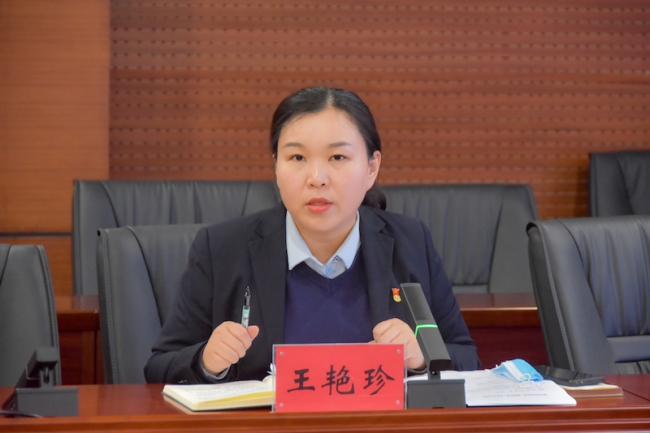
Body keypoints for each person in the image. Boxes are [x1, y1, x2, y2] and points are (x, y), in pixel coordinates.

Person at [144, 86, 480, 384]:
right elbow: (158, 368)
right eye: (297, 157)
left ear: (371, 168)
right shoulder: (222, 249)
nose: (317, 177)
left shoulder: (411, 242)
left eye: (338, 157)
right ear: (276, 166)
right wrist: (206, 362)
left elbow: (467, 358)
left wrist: (421, 357)